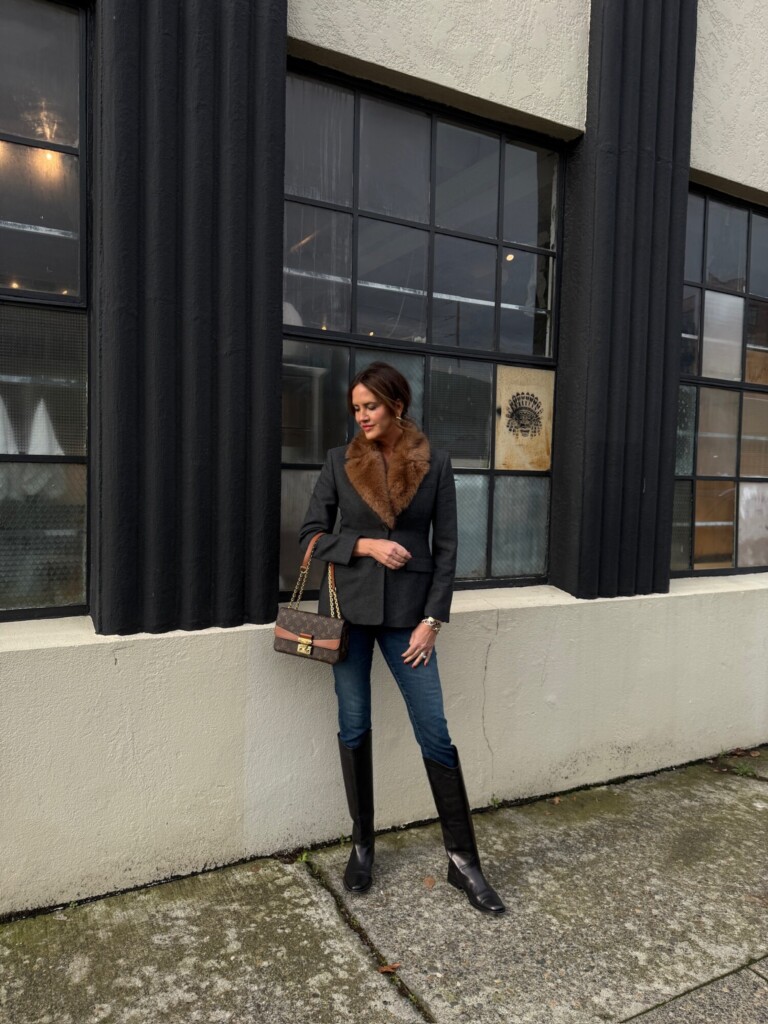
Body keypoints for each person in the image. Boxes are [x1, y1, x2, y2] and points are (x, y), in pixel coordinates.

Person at [299, 362, 504, 914]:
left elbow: (449, 549)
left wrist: (432, 621)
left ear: (396, 405)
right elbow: (311, 537)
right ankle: (362, 844)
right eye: (356, 408)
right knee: (353, 724)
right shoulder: (338, 463)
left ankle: (463, 861)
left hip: (410, 619)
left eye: (370, 406)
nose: (361, 416)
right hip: (349, 614)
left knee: (435, 732)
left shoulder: (434, 464)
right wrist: (366, 546)